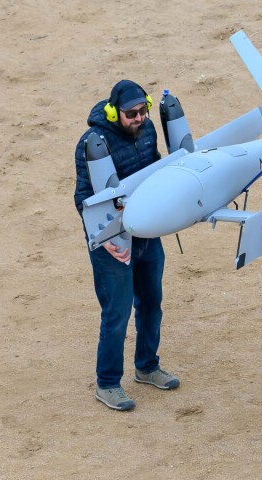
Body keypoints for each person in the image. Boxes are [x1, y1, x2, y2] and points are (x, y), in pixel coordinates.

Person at [74, 79, 179, 412]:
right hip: (112, 242)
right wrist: (104, 241)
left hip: (147, 231)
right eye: (131, 114)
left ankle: (147, 367)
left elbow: (158, 169)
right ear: (113, 112)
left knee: (151, 302)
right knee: (116, 312)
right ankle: (107, 384)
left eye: (143, 111)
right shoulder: (92, 143)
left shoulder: (146, 130)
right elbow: (83, 198)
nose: (139, 118)